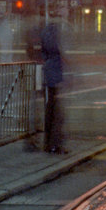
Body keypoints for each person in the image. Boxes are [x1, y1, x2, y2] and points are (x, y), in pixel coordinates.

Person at [39, 20, 67, 154]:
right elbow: (55, 48)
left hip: (52, 72)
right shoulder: (53, 31)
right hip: (54, 74)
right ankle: (53, 145)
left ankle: (51, 144)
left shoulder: (47, 30)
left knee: (53, 109)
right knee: (55, 111)